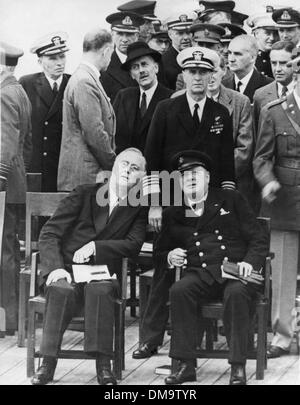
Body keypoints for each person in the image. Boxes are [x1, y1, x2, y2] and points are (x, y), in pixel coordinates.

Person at [30, 148, 148, 385]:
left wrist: (97, 247)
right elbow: (49, 232)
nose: (127, 170)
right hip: (66, 268)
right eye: (124, 164)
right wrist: (55, 268)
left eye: (135, 168)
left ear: (141, 178)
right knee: (60, 289)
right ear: (113, 167)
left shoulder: (137, 208)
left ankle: (104, 366)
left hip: (101, 272)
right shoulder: (85, 194)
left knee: (101, 289)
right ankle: (47, 364)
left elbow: (133, 245)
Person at [158, 150, 268, 385]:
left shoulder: (231, 199)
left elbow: (258, 238)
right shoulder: (173, 213)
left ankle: (238, 366)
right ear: (178, 182)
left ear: (208, 177)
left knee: (236, 293)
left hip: (235, 270)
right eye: (185, 175)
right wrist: (169, 255)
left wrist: (250, 262)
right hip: (201, 273)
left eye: (196, 173)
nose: (191, 178)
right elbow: (159, 251)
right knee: (179, 290)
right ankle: (186, 365)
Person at [144, 46, 235, 233]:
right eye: (192, 72)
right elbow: (151, 158)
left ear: (212, 76)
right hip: (172, 196)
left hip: (208, 199)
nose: (198, 77)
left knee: (203, 252)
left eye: (203, 72)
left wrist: (227, 201)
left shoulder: (221, 113)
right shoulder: (165, 109)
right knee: (171, 252)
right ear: (183, 75)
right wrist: (154, 203)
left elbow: (227, 163)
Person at [253, 47, 300, 359]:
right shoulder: (275, 109)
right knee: (281, 273)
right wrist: (268, 180)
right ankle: (282, 336)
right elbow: (261, 157)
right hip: (285, 202)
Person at [57, 29, 116, 192]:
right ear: (106, 51)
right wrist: (114, 164)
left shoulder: (84, 77)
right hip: (85, 178)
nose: (110, 59)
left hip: (84, 177)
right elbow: (94, 132)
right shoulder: (85, 81)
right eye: (111, 53)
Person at [0, 42, 32, 334]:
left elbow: (6, 147)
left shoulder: (3, 94)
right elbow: (26, 143)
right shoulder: (19, 91)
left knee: (4, 252)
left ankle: (6, 320)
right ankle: (10, 318)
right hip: (15, 184)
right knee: (9, 248)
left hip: (3, 186)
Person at [19, 32, 70, 192]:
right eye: (53, 58)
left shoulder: (74, 83)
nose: (59, 63)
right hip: (36, 165)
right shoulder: (27, 84)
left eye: (62, 56)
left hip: (63, 165)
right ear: (40, 61)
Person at [207, 55, 254, 209]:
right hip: (192, 183)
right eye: (205, 71)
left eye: (214, 71)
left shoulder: (240, 101)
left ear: (224, 71)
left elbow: (244, 148)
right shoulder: (179, 100)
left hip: (228, 182)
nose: (210, 77)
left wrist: (216, 175)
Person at [113, 41, 173, 154]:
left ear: (156, 68)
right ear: (131, 75)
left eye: (144, 64)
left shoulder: (170, 98)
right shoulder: (123, 97)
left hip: (157, 169)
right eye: (135, 67)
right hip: (127, 167)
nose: (141, 70)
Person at [100, 11, 144, 102]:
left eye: (129, 34)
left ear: (137, 36)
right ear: (112, 34)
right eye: (120, 34)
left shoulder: (149, 61)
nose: (124, 40)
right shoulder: (103, 65)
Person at [253, 41, 295, 133]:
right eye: (274, 63)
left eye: (283, 63)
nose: (278, 69)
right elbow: (257, 134)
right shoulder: (260, 95)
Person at [175, 22, 225, 91]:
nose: (204, 49)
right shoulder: (184, 77)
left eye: (209, 45)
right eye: (201, 44)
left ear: (219, 47)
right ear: (194, 44)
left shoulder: (230, 76)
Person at [223, 34, 273, 103]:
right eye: (229, 53)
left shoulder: (269, 86)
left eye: (237, 54)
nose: (231, 59)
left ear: (252, 57)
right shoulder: (223, 85)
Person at [161, 12, 194, 90]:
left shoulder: (198, 56)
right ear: (170, 34)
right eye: (180, 33)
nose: (186, 37)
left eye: (188, 32)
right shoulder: (163, 61)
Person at [246, 13, 278, 78]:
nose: (272, 38)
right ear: (256, 33)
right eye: (267, 33)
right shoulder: (247, 58)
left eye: (275, 33)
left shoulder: (282, 57)